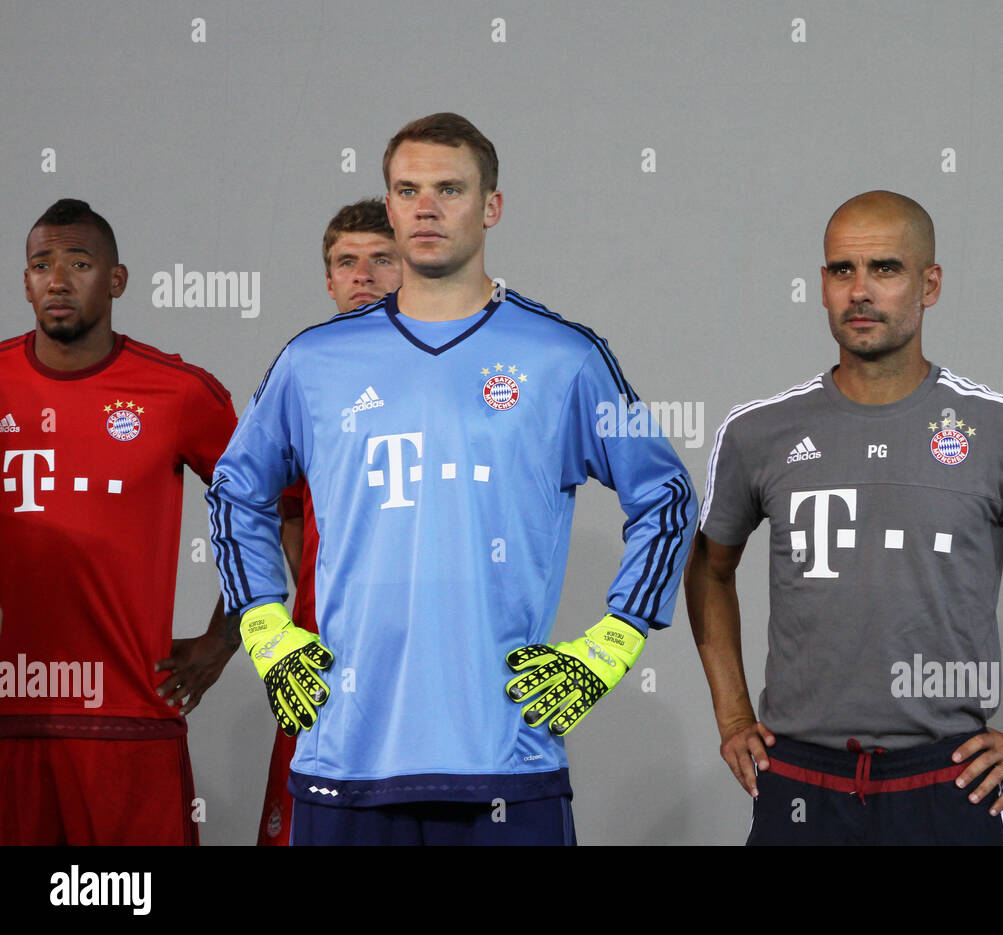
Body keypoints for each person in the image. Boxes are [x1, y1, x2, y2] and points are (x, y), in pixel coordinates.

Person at [209, 113, 695, 846]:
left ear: (491, 206)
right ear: (391, 203)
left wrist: (610, 645)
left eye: (449, 189)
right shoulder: (314, 362)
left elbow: (668, 496)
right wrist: (265, 627)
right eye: (408, 190)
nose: (426, 207)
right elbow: (235, 491)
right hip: (345, 753)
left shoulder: (561, 356)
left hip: (505, 758)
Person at [686, 191, 1003, 845]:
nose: (860, 290)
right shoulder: (758, 431)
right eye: (842, 270)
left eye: (885, 268)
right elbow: (709, 570)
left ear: (930, 283)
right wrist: (732, 714)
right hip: (801, 782)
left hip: (946, 783)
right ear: (821, 285)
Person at [0, 199, 239, 844]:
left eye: (78, 263)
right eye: (41, 264)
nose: (57, 279)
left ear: (116, 280)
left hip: (128, 722)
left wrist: (225, 639)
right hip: (9, 721)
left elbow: (266, 514)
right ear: (24, 281)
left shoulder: (179, 392)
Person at [256, 198, 402, 846]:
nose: (363, 276)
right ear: (328, 280)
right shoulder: (304, 378)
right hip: (322, 659)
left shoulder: (458, 369)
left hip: (428, 661)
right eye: (347, 262)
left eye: (381, 260)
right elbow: (283, 508)